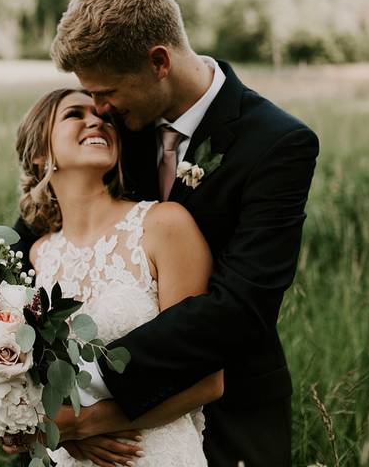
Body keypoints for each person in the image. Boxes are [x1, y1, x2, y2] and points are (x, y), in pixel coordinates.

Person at [14, 0, 319, 466]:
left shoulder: (277, 144)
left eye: (106, 91)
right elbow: (35, 229)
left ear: (159, 62)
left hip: (228, 404)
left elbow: (241, 308)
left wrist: (88, 405)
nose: (98, 107)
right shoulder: (116, 120)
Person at [14, 87, 223, 466]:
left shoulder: (163, 225)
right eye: (74, 114)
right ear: (39, 154)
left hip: (156, 454)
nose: (96, 120)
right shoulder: (37, 256)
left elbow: (207, 380)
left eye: (104, 117)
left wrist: (85, 425)